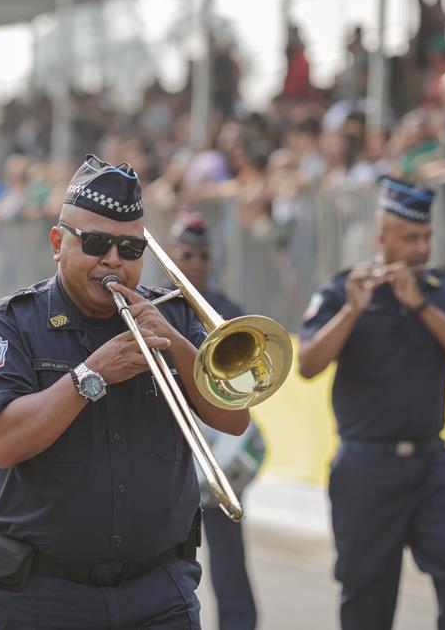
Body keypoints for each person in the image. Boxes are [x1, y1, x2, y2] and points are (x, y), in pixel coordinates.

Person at [0, 154, 250, 629]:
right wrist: (89, 376)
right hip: (46, 595)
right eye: (96, 243)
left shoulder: (174, 315)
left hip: (159, 590)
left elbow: (234, 419)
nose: (113, 260)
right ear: (58, 243)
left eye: (130, 248)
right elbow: (3, 443)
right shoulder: (14, 324)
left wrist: (176, 345)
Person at [297, 176, 445, 630]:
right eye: (410, 238)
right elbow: (307, 364)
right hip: (366, 468)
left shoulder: (443, 288)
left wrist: (421, 307)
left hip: (430, 461)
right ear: (382, 238)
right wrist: (353, 311)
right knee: (366, 597)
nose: (421, 248)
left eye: (426, 237)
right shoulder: (345, 288)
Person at [169, 210, 262, 630]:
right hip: (168, 447)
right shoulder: (155, 304)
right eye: (187, 255)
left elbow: (251, 383)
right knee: (164, 560)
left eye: (203, 256)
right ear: (172, 257)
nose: (196, 264)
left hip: (215, 447)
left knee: (229, 554)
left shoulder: (227, 311)